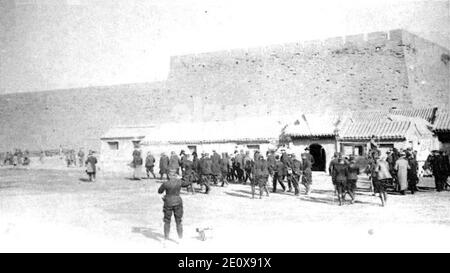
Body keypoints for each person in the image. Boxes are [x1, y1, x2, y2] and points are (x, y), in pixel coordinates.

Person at [158, 170, 191, 242]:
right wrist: (184, 176)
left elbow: (159, 191)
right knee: (178, 221)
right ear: (175, 176)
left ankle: (166, 238)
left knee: (167, 221)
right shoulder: (179, 182)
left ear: (169, 176)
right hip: (178, 202)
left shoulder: (166, 183)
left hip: (168, 202)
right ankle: (180, 238)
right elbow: (187, 183)